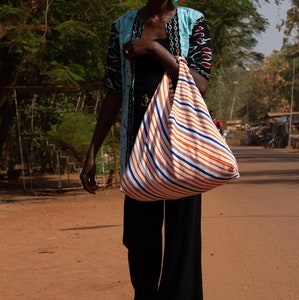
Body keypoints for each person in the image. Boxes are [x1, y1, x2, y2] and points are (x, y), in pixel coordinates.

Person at [80, 1, 212, 299]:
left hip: (183, 146)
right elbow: (113, 91)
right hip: (139, 147)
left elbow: (200, 83)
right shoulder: (121, 26)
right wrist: (92, 151)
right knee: (140, 240)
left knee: (182, 240)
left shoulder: (194, 21)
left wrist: (155, 50)